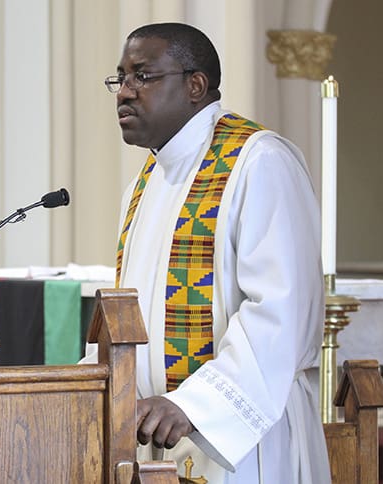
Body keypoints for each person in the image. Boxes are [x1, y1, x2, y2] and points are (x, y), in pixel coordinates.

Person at [82, 23, 328, 482]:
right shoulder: (145, 182)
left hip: (246, 439)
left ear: (195, 85)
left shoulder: (258, 161)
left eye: (143, 76)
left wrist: (195, 403)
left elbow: (280, 311)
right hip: (156, 440)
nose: (124, 92)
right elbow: (139, 316)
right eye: (121, 78)